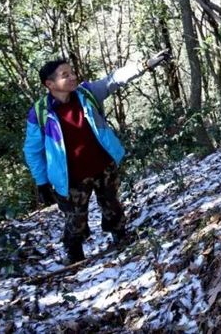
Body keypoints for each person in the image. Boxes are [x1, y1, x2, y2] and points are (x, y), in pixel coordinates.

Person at [23, 52, 169, 265]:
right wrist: (42, 182)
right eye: (65, 75)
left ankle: (120, 237)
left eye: (72, 72)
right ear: (50, 84)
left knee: (112, 204)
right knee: (75, 217)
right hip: (71, 177)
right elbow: (32, 150)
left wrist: (144, 65)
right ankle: (75, 254)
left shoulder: (86, 94)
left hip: (103, 166)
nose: (72, 77)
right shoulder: (40, 113)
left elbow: (113, 79)